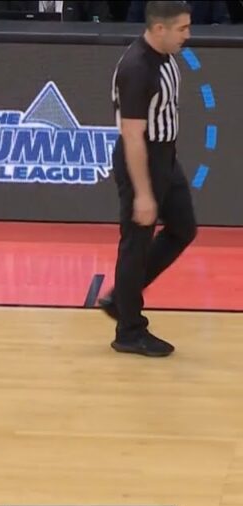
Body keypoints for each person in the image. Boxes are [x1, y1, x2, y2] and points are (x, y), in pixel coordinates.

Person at [99, 0, 196, 357]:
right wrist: (143, 193)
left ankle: (121, 298)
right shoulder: (137, 68)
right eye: (182, 28)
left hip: (164, 156)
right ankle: (129, 330)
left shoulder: (165, 55)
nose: (188, 35)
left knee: (183, 227)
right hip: (141, 158)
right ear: (159, 29)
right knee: (136, 242)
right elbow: (132, 136)